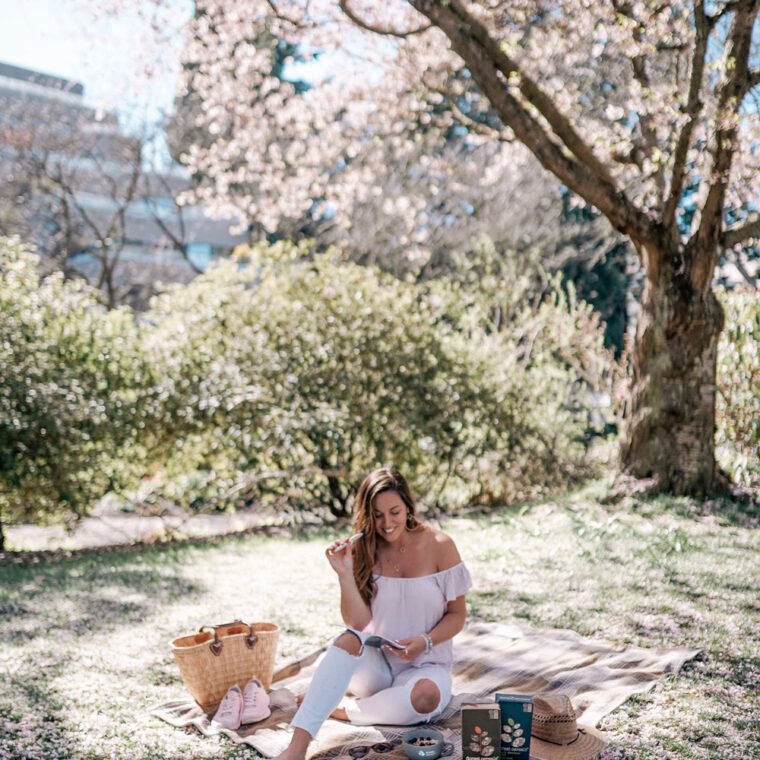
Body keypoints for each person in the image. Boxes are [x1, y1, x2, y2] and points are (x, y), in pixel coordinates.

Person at [274, 467, 472, 760]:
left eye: (394, 511)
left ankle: (343, 709)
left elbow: (457, 615)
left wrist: (426, 641)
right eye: (377, 515)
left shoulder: (441, 546)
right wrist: (344, 574)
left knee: (426, 698)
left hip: (426, 666)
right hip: (375, 667)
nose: (387, 523)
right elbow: (357, 624)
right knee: (347, 640)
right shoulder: (362, 548)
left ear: (408, 505)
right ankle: (297, 748)